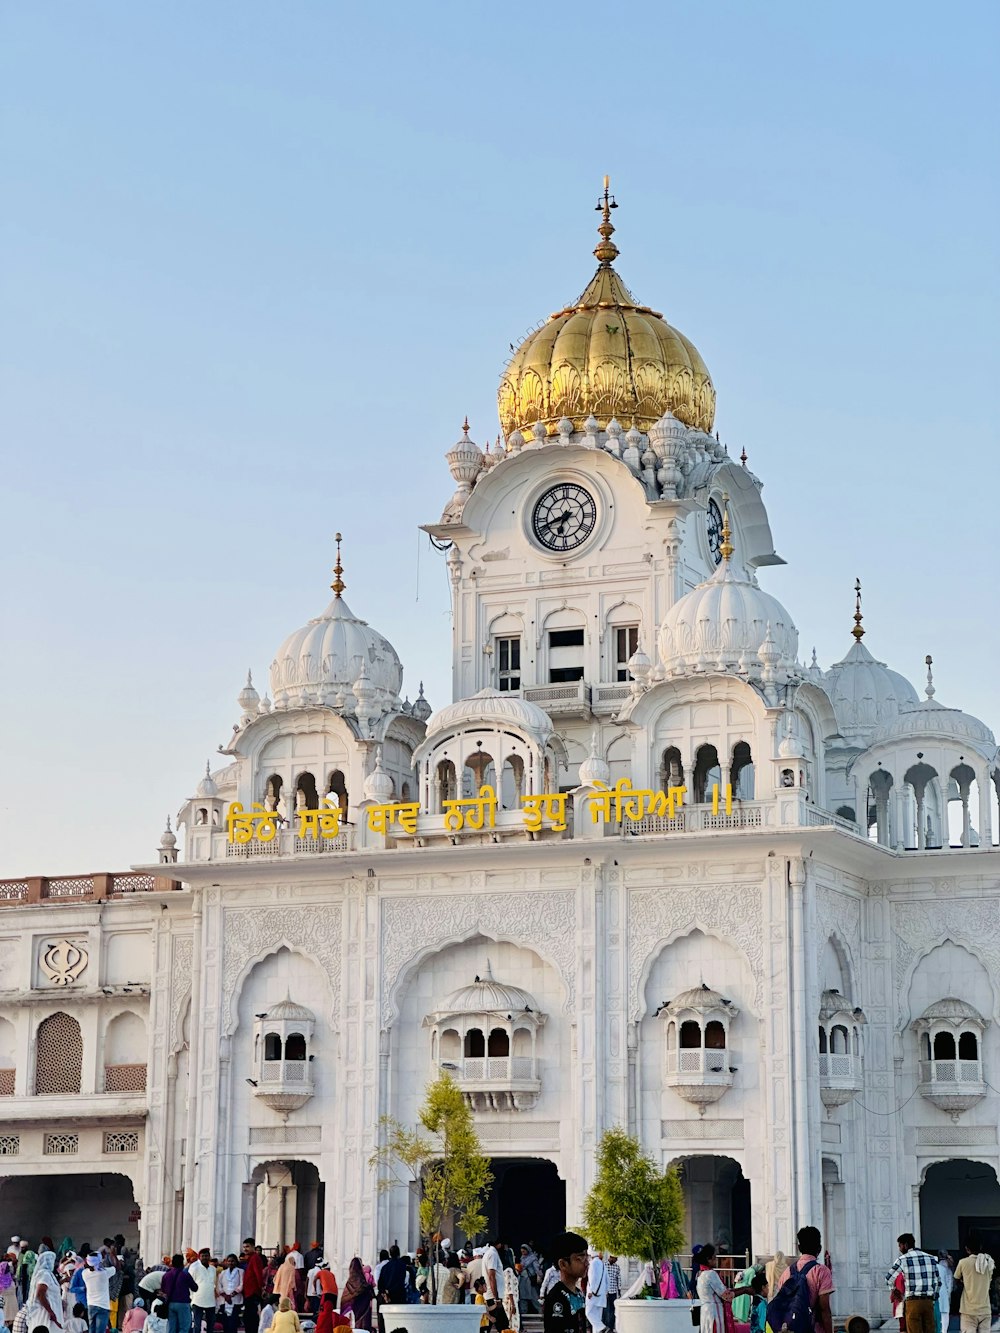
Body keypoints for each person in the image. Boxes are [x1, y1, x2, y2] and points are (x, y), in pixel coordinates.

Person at [775, 1227, 835, 1333]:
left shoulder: (787, 1272)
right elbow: (824, 1309)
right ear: (819, 1248)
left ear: (799, 1248)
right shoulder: (821, 1271)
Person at [886, 1234, 941, 1333]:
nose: (899, 1249)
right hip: (928, 1302)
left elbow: (889, 1278)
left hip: (912, 1302)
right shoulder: (931, 1258)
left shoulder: (903, 1259)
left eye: (900, 1245)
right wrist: (933, 1298)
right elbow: (938, 1282)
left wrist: (894, 1290)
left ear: (906, 1245)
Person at [542, 1233, 589, 1333]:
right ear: (563, 1264)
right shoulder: (556, 1296)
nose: (586, 1263)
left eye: (586, 1257)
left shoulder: (579, 1293)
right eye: (580, 1258)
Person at [953, 1233, 995, 1333]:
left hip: (968, 1311)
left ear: (967, 1249)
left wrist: (964, 1281)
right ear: (980, 1247)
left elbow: (956, 1279)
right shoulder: (989, 1262)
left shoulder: (963, 1262)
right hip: (985, 1310)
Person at [696, 1245, 732, 1333]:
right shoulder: (711, 1274)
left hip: (705, 1311)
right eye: (714, 1257)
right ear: (709, 1259)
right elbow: (725, 1294)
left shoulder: (699, 1274)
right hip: (714, 1311)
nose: (716, 1260)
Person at [160, 1256, 197, 1333]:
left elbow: (163, 1289)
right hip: (183, 1303)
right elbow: (195, 1288)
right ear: (182, 1263)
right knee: (184, 1328)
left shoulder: (166, 1275)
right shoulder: (185, 1274)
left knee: (172, 1328)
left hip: (170, 1303)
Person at [338, 1260, 373, 1332]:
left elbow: (344, 1299)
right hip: (362, 1314)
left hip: (353, 1312)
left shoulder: (349, 1283)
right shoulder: (363, 1282)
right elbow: (368, 1293)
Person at [81, 1257, 112, 1333]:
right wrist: (112, 1253)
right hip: (103, 1306)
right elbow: (117, 1267)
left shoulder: (84, 1273)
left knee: (92, 1330)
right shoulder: (104, 1273)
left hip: (91, 1305)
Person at [481, 1242, 507, 1330]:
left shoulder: (491, 1253)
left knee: (494, 1325)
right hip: (493, 1296)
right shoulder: (492, 1254)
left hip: (493, 1295)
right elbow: (492, 1276)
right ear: (499, 1244)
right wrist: (496, 1298)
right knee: (503, 1325)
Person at [241, 1243, 266, 1333]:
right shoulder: (250, 1258)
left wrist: (261, 1288)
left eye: (247, 1246)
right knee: (248, 1316)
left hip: (253, 1292)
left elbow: (258, 1274)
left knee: (251, 1316)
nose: (245, 1249)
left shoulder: (255, 1258)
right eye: (244, 1247)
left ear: (253, 1247)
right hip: (248, 1292)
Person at [216, 1256, 242, 1333]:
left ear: (236, 1262)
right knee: (225, 1323)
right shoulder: (223, 1273)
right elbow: (219, 1285)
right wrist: (226, 1296)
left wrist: (232, 1294)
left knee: (233, 1322)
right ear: (226, 1262)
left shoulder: (240, 1271)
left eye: (233, 1261)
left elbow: (242, 1284)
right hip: (224, 1300)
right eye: (229, 1261)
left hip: (236, 1300)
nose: (231, 1263)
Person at [585, 1253, 608, 1333]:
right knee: (597, 1318)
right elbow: (606, 1279)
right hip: (601, 1295)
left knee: (588, 1313)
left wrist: (591, 1291)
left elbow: (592, 1277)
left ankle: (602, 1327)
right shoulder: (603, 1264)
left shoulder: (593, 1263)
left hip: (593, 1294)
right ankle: (600, 1328)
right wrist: (606, 1291)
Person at [937, 1254, 954, 1333]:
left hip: (936, 1301)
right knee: (944, 1325)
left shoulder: (935, 1269)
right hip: (945, 1300)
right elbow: (949, 1286)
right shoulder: (947, 1271)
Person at [603, 1258, 620, 1331]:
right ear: (611, 1258)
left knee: (613, 1310)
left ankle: (611, 1326)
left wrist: (619, 1290)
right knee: (606, 1309)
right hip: (605, 1292)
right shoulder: (604, 1265)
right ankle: (605, 1326)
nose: (616, 1260)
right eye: (615, 1259)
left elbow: (619, 1278)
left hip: (613, 1291)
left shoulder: (617, 1266)